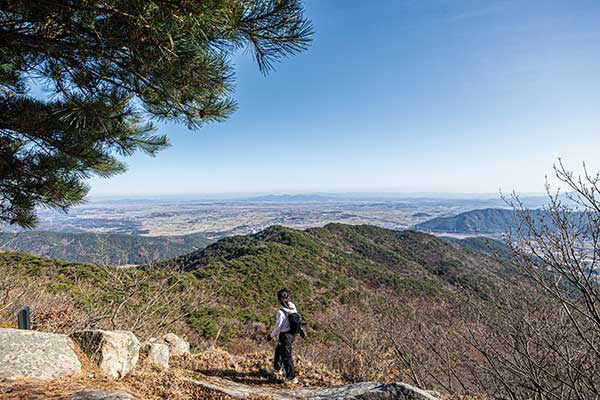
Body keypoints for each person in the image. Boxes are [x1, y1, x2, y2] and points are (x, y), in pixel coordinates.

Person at [266, 288, 303, 384]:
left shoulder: (280, 312)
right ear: (288, 297)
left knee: (286, 356)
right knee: (279, 349)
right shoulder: (292, 306)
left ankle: (292, 378)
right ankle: (277, 367)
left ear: (278, 299)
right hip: (292, 333)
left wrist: (271, 335)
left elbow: (278, 327)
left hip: (285, 335)